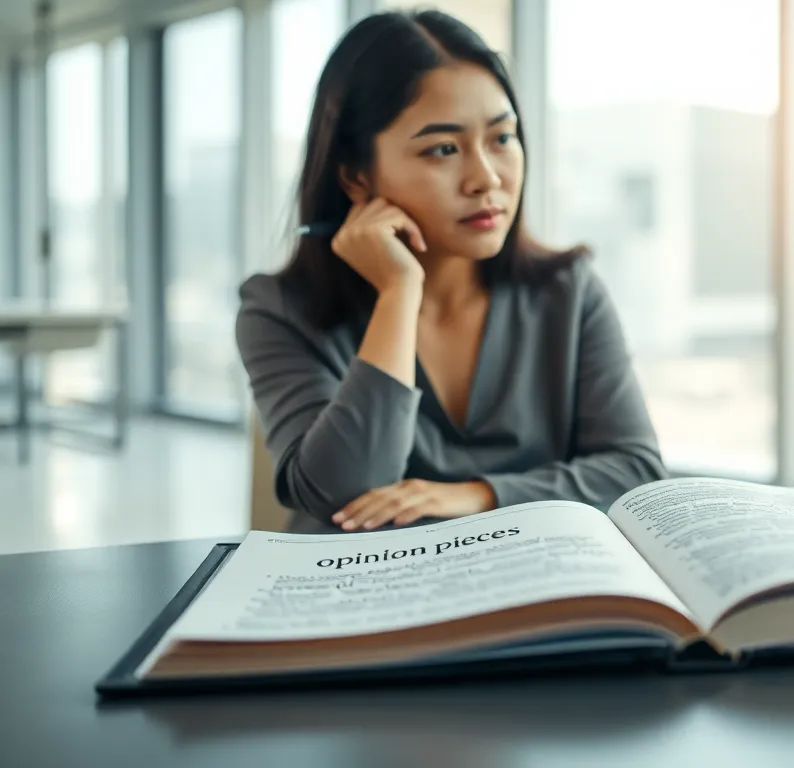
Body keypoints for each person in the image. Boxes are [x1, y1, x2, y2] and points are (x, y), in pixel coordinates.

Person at [236, 10, 666, 534]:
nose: (486, 179)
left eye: (502, 139)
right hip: (360, 602)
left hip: (528, 595)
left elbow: (635, 472)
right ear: (356, 177)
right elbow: (342, 496)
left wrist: (477, 496)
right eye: (443, 149)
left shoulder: (566, 291)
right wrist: (399, 292)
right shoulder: (280, 310)